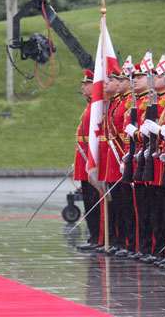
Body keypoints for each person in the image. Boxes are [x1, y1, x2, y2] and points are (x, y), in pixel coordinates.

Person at [74, 70, 101, 251]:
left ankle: (98, 235)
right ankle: (94, 235)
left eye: (86, 83)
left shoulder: (97, 105)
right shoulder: (91, 104)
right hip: (84, 156)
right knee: (88, 198)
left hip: (91, 156)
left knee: (93, 198)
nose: (83, 86)